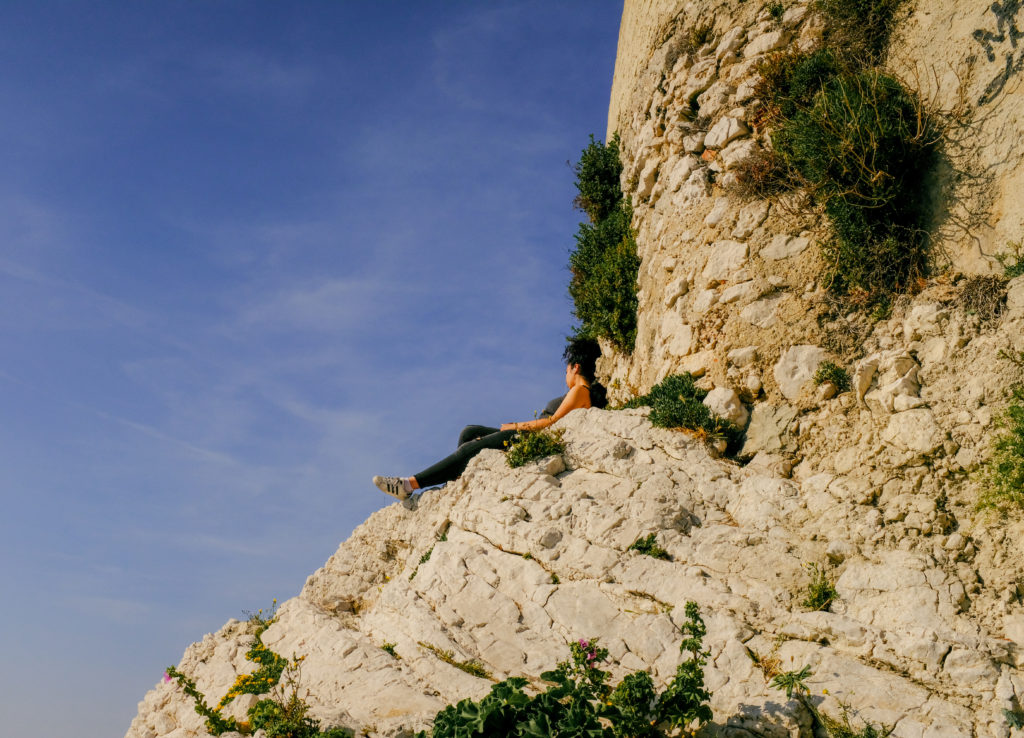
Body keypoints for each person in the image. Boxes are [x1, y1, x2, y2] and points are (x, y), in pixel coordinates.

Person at [373, 337, 608, 501]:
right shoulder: (579, 392)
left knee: (473, 446)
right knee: (469, 432)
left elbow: (552, 421)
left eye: (566, 370)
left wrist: (514, 426)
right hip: (528, 433)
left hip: (531, 436)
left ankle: (408, 485)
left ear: (575, 367)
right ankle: (454, 482)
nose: (565, 375)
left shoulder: (580, 391)